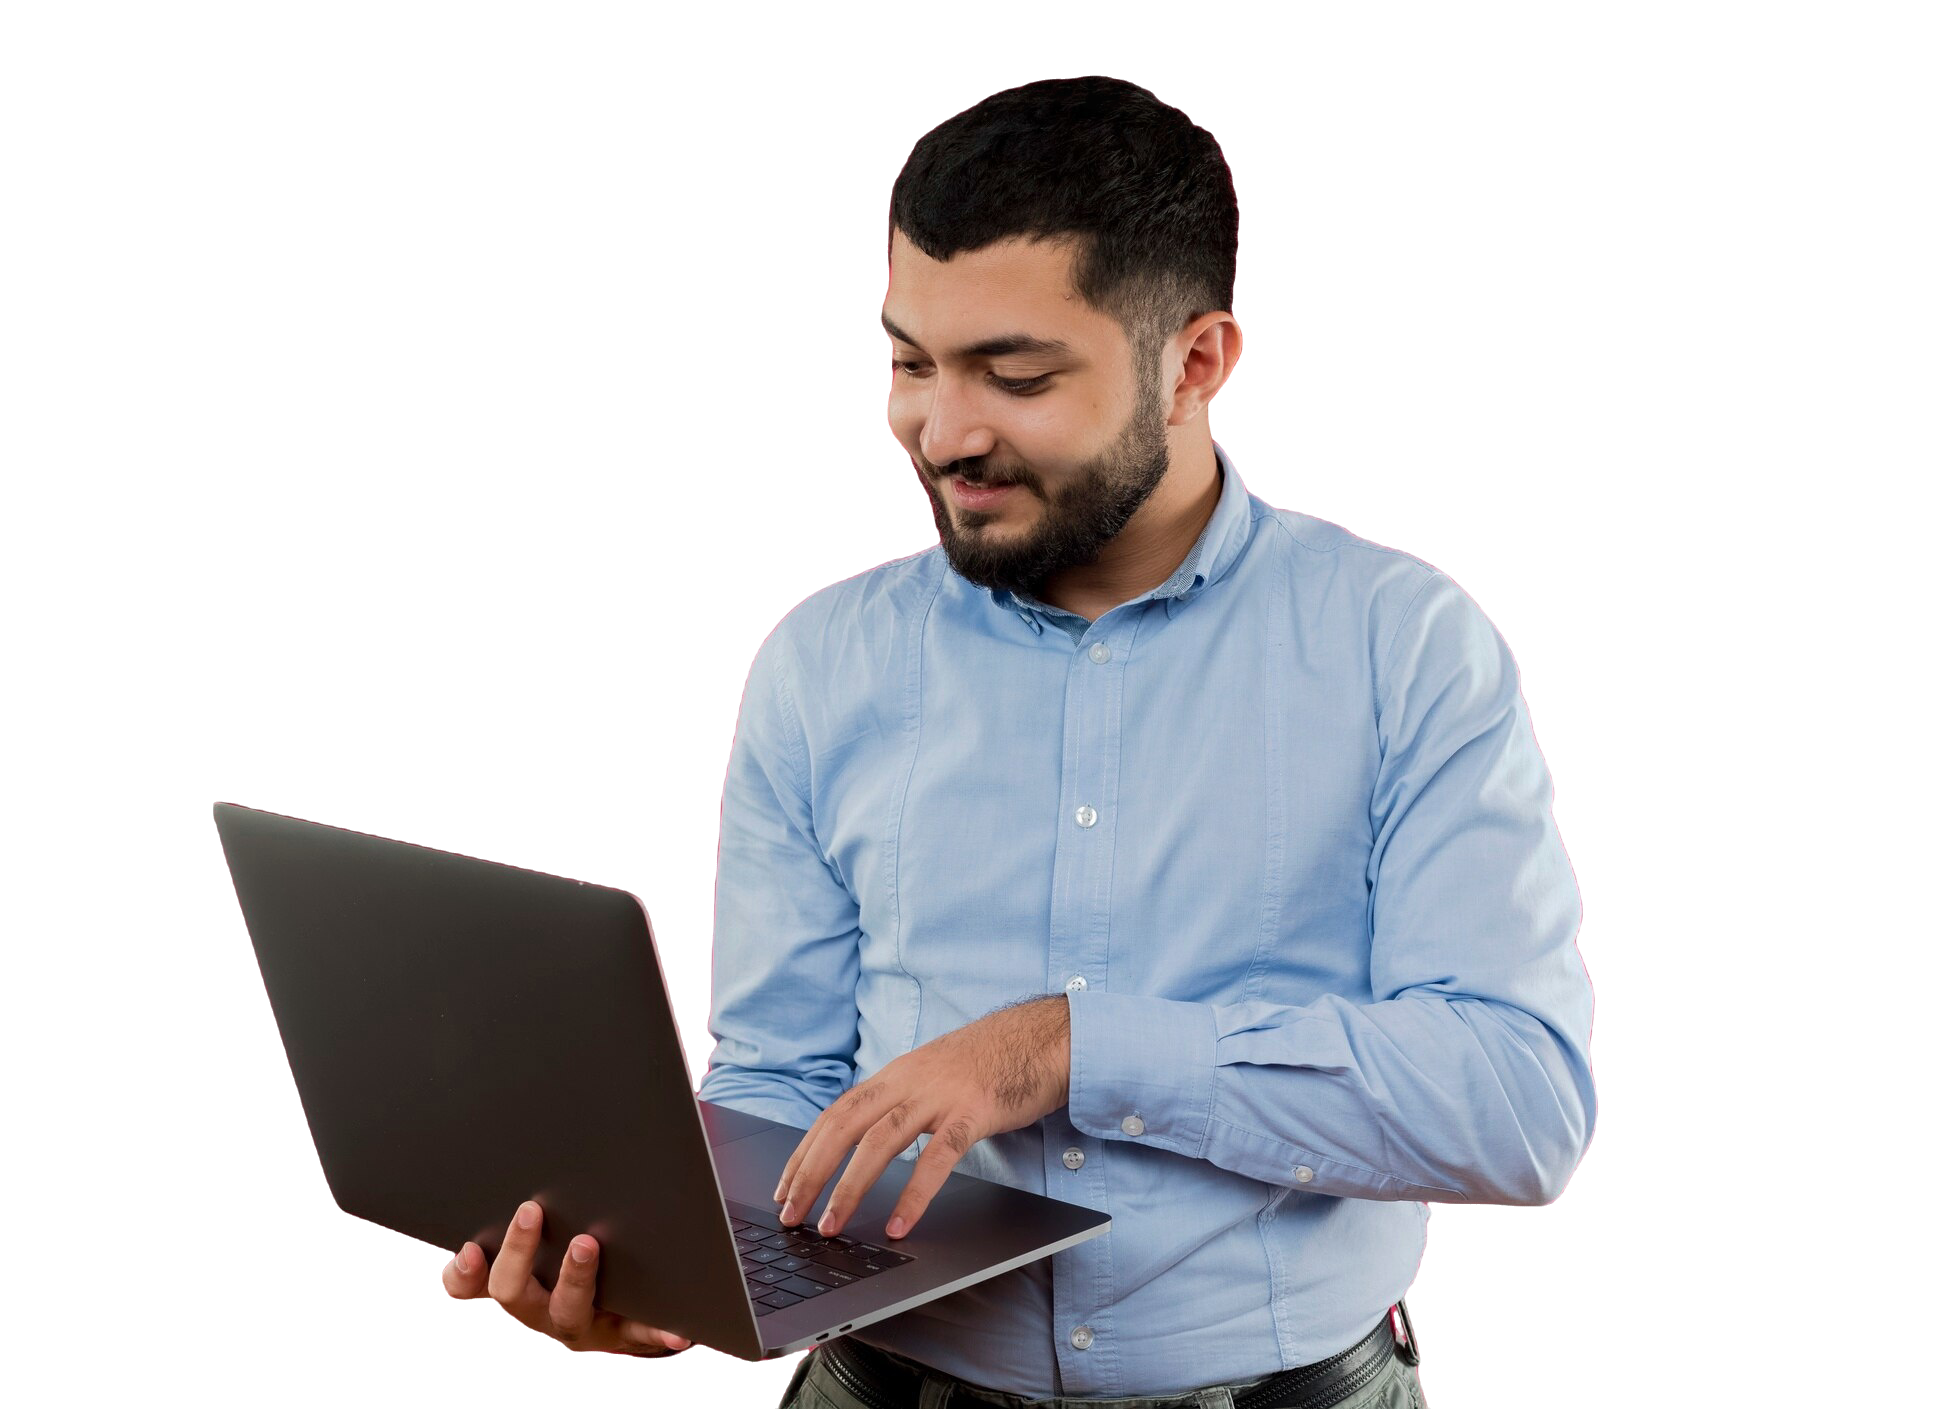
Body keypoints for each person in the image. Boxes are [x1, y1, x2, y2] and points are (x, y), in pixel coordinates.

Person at [439, 72, 1598, 1408]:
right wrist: (653, 1277)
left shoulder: (1410, 643)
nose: (942, 433)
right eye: (907, 363)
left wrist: (1066, 1050)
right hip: (877, 1384)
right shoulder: (813, 659)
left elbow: (1521, 1115)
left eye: (1016, 374)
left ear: (1202, 364)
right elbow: (774, 1091)